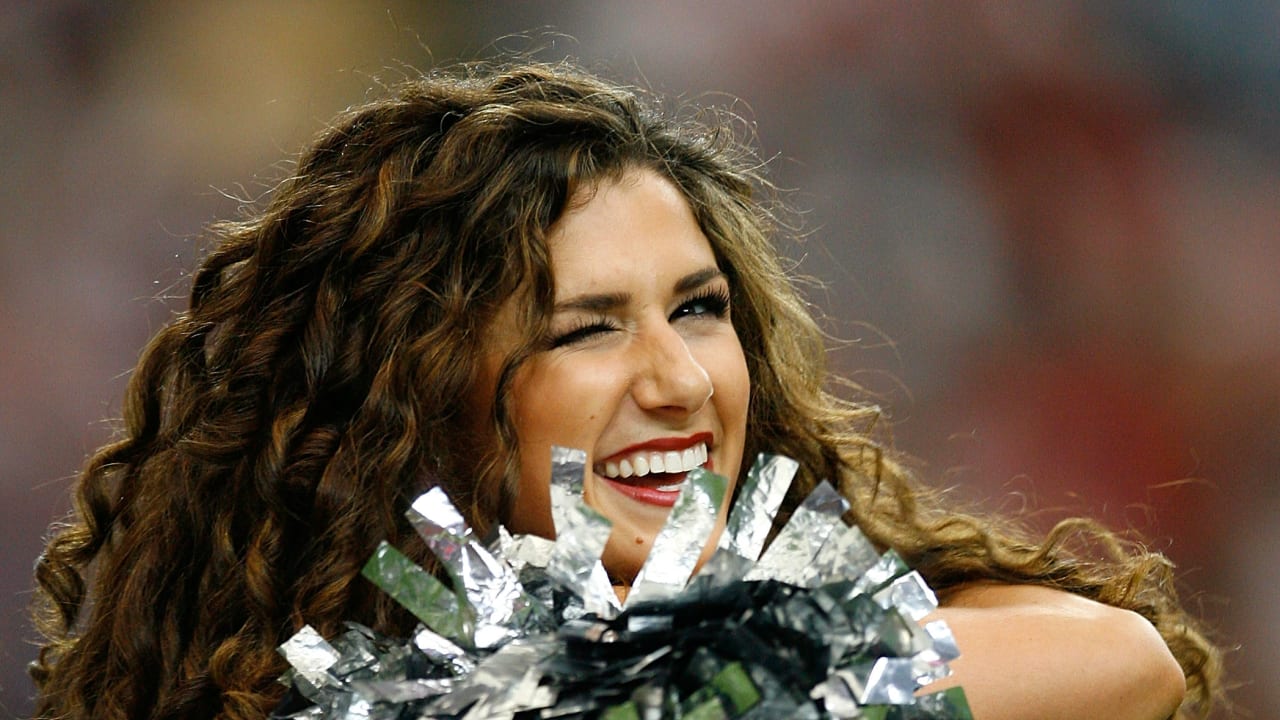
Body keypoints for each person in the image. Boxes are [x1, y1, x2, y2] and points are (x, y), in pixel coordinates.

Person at [30, 60, 1222, 720]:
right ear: (420, 391)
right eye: (585, 331)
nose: (676, 381)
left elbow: (1117, 661)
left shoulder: (798, 622)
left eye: (697, 310)